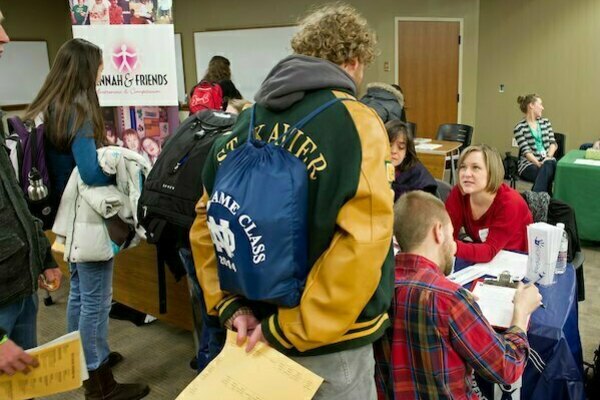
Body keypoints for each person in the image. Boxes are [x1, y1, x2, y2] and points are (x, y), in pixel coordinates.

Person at [190, 4, 393, 399]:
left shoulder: (245, 122)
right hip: (330, 347)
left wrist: (229, 304)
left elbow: (207, 221)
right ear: (352, 62)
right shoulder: (356, 122)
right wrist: (293, 326)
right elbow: (364, 241)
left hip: (250, 329)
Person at [24, 38, 149, 399]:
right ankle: (99, 383)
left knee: (81, 294)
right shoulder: (78, 108)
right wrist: (121, 169)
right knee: (96, 300)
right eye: (98, 65)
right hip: (88, 216)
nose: (102, 71)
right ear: (85, 68)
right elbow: (92, 172)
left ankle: (84, 361)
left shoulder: (56, 104)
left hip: (70, 216)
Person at [385, 190, 541, 399]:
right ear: (438, 232)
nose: (453, 247)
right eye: (452, 235)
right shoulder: (450, 300)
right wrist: (521, 314)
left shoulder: (376, 286)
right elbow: (507, 368)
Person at [0, 8, 61, 376]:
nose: (6, 37)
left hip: (17, 282)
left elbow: (12, 195)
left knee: (24, 387)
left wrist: (42, 255)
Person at [445, 145, 533, 263]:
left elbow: (489, 251)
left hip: (514, 264)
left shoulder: (510, 202)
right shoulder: (459, 193)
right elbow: (447, 233)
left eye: (475, 167)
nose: (466, 173)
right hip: (481, 261)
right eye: (462, 167)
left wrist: (449, 246)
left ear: (492, 172)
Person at [514, 94, 558, 193]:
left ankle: (533, 198)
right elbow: (526, 151)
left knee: (548, 165)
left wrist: (547, 157)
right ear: (531, 106)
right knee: (546, 173)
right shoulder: (519, 128)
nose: (543, 108)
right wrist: (538, 163)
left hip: (548, 160)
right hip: (529, 164)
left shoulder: (546, 122)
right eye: (540, 104)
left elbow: (553, 143)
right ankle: (546, 200)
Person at [386, 120, 436, 201]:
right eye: (389, 145)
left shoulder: (419, 177)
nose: (394, 151)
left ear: (407, 151)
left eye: (401, 147)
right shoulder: (373, 168)